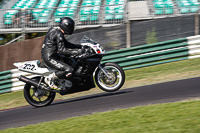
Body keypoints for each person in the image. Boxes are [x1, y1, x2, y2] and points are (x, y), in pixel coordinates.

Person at [41, 17, 84, 90]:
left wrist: (80, 46)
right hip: (50, 58)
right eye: (71, 26)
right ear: (66, 26)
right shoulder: (58, 34)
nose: (72, 28)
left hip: (51, 55)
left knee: (71, 61)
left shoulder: (57, 32)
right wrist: (77, 52)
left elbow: (66, 44)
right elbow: (62, 50)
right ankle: (50, 78)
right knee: (69, 69)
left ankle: (64, 82)